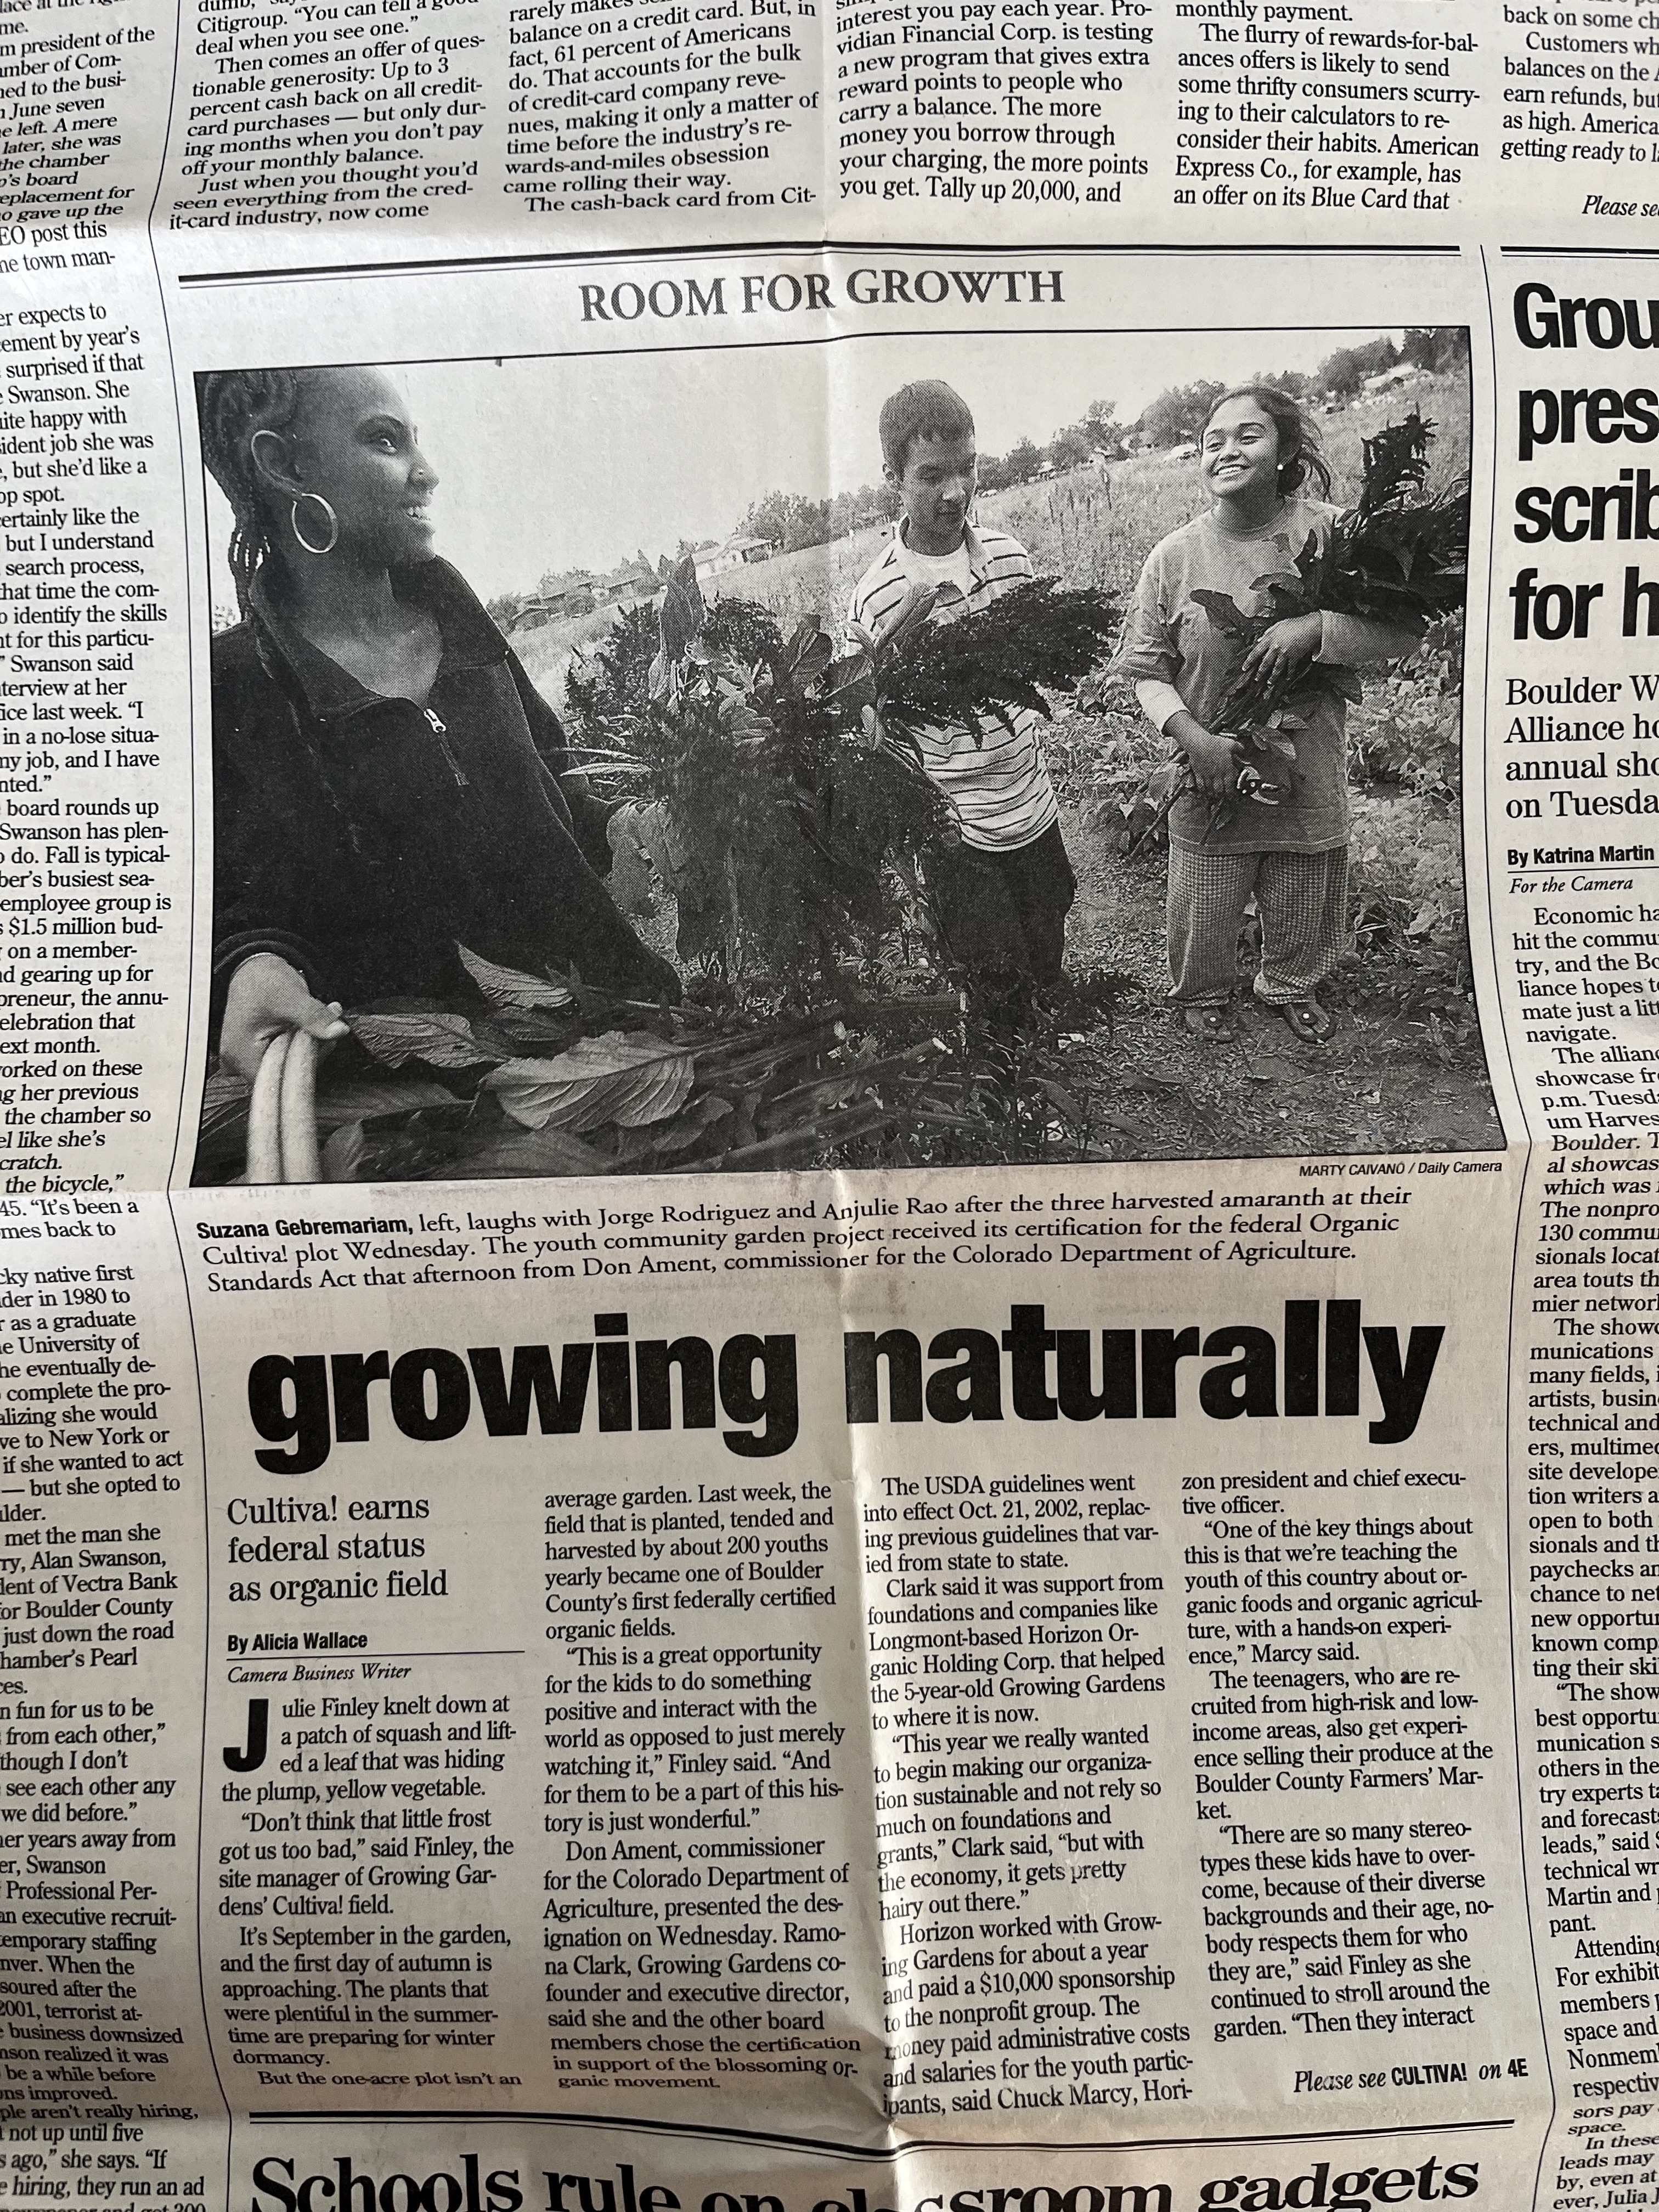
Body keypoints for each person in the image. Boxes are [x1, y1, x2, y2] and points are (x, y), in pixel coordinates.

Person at [200, 365, 677, 1088]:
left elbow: (558, 796)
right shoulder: (233, 691)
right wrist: (249, 965)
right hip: (452, 1115)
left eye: (414, 441)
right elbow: (229, 903)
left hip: (638, 1041)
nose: (427, 475)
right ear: (285, 466)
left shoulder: (465, 636)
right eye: (384, 441)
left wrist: (621, 825)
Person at [1116, 385, 1419, 1045]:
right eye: (1212, 442)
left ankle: (1290, 982)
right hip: (1212, 765)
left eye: (1247, 436)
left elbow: (1405, 633)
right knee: (1205, 890)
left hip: (1306, 762)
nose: (1226, 451)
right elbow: (1144, 671)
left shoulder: (1336, 533)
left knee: (1303, 881)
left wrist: (1317, 626)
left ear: (1285, 453)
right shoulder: (1173, 558)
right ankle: (1203, 987)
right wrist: (1194, 739)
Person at [847, 379, 1075, 986]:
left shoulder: (1010, 560)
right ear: (893, 476)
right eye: (931, 475)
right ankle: (1009, 1062)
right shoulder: (877, 598)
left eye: (968, 468)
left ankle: (1047, 1026)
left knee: (1048, 918)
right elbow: (866, 720)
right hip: (955, 823)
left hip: (1030, 798)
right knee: (985, 956)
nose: (957, 492)